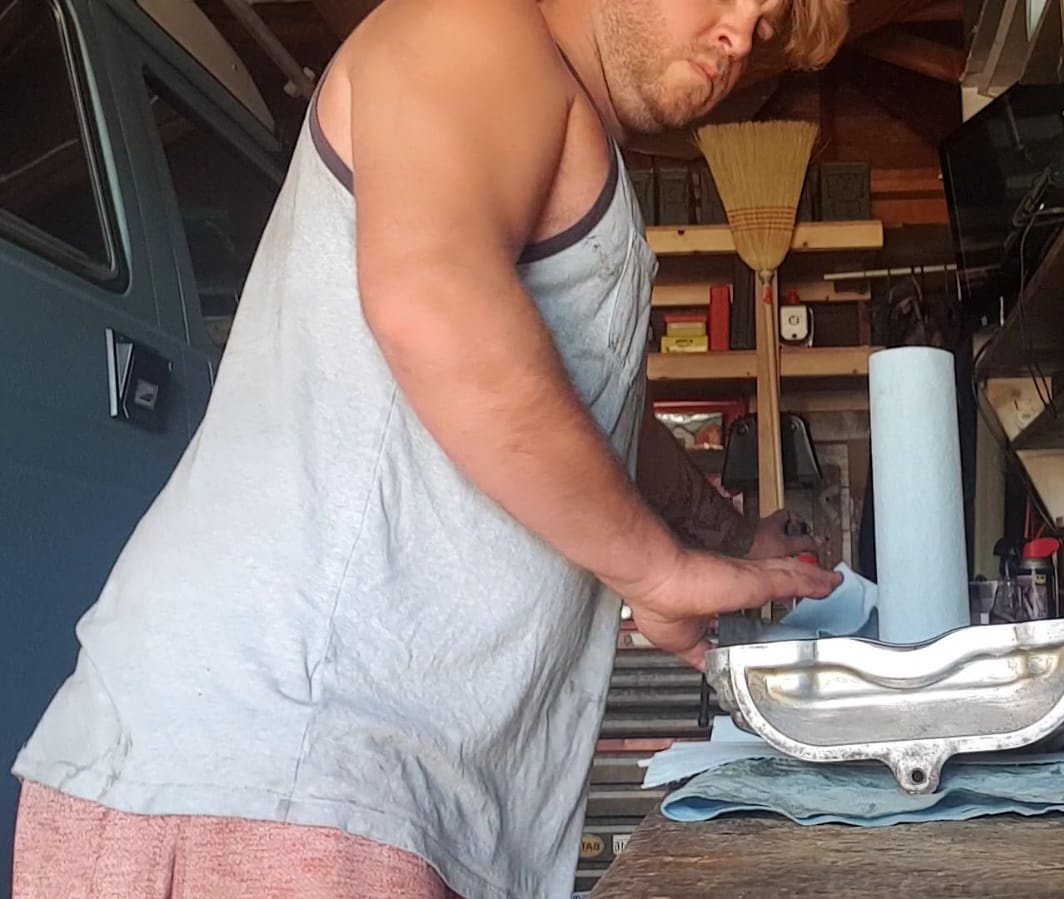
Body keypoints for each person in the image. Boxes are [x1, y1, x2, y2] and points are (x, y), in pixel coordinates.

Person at [9, 0, 848, 895]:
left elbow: (584, 413)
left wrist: (723, 540)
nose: (740, 36)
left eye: (764, 24)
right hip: (276, 779)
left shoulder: (546, 111)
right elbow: (432, 304)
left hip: (330, 794)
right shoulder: (477, 28)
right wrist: (656, 571)